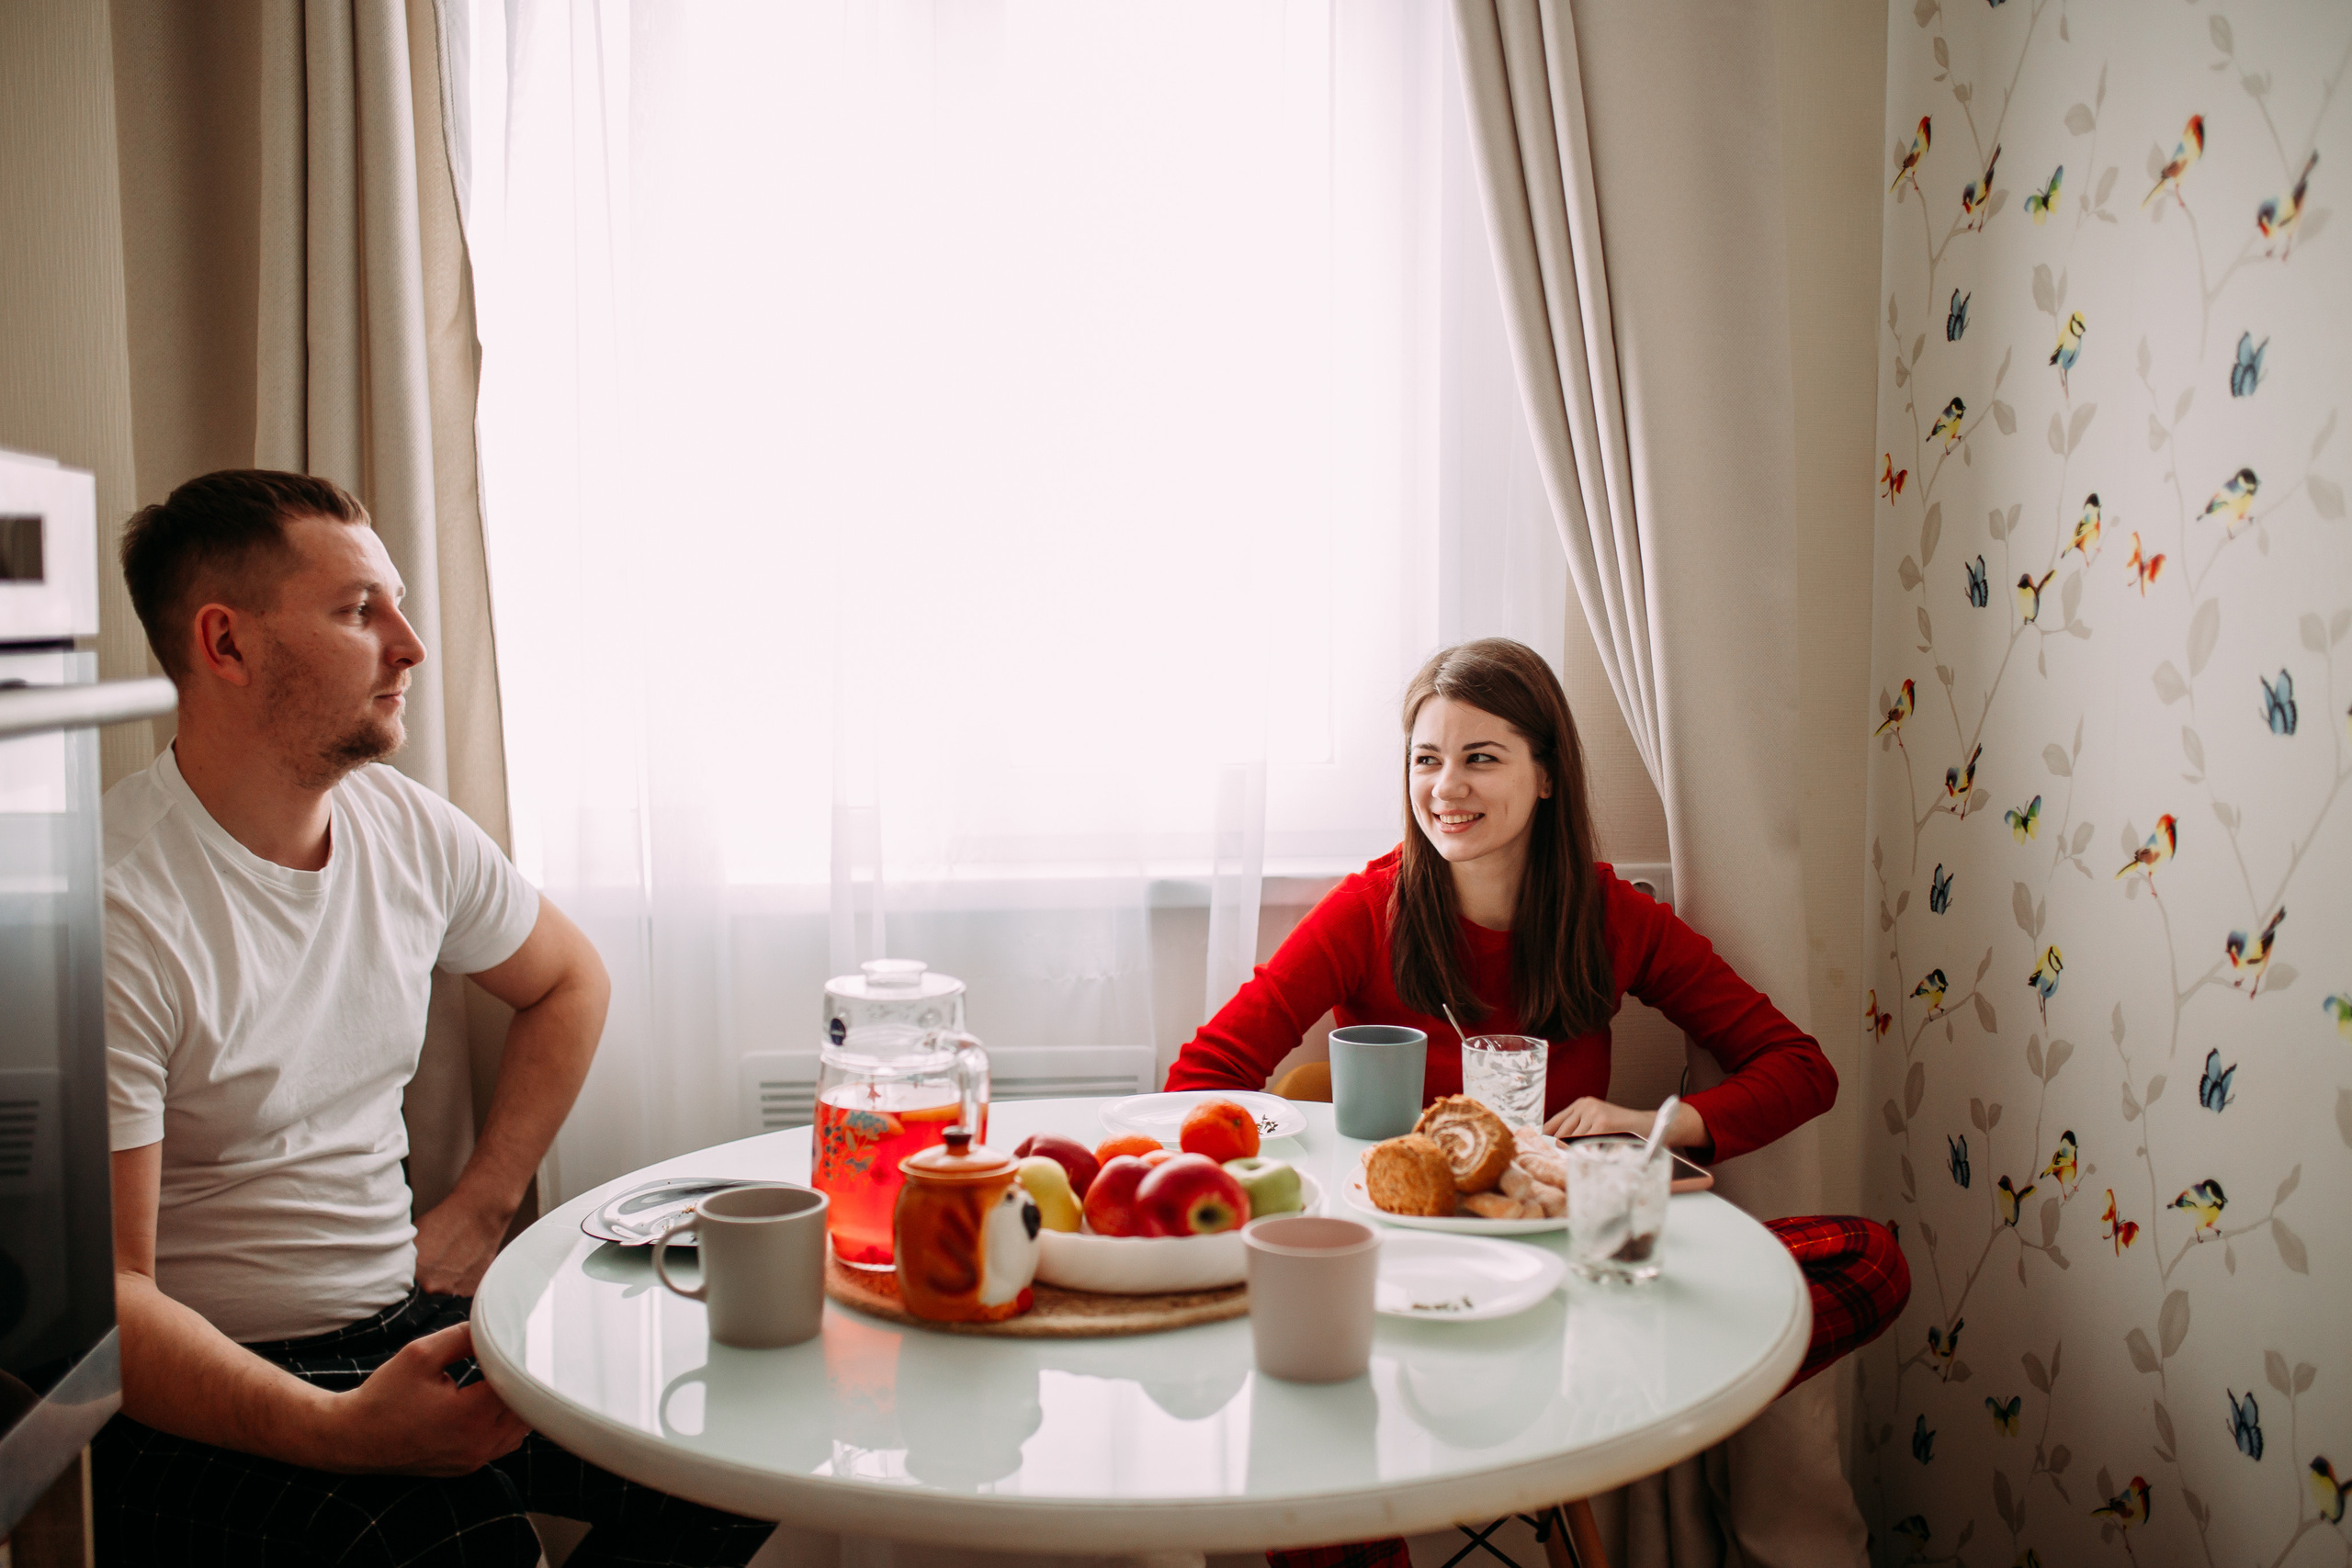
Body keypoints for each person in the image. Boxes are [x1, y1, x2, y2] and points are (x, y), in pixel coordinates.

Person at [96, 470, 773, 1565]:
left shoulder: (402, 828)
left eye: (398, 605)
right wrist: (340, 1430)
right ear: (225, 645)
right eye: (360, 611)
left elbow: (568, 981)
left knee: (729, 1447)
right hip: (210, 1384)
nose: (409, 645)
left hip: (395, 1318)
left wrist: (483, 1201)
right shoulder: (119, 908)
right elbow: (107, 1304)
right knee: (460, 1543)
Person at [1165, 637, 1907, 1568]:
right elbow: (1200, 1078)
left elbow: (1800, 1068)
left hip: (1567, 1286)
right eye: (1426, 760)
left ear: (1547, 775)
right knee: (1316, 1468)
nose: (1446, 787)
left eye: (1481, 758)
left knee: (1867, 1259)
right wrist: (1308, 1173)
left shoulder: (1612, 918)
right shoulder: (1369, 909)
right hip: (1400, 1281)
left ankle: (1596, 1407)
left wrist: (1649, 1127)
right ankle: (1519, 1419)